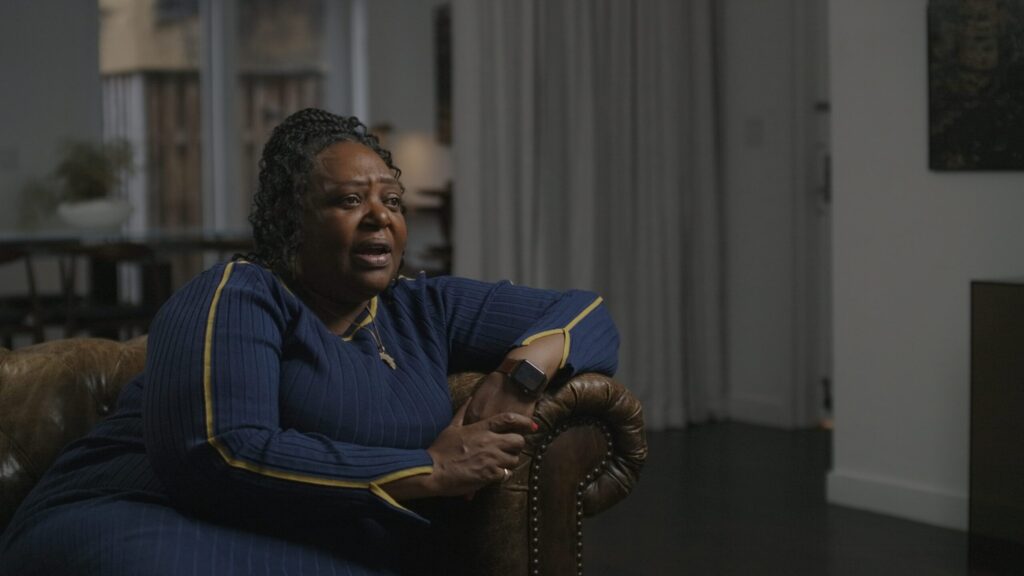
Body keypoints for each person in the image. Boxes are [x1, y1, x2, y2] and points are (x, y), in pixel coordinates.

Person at [0, 108, 618, 575]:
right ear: (291, 220)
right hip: (136, 516)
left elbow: (588, 314)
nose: (380, 216)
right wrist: (430, 468)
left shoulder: (421, 307)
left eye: (392, 200)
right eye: (349, 200)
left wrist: (517, 378)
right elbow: (219, 456)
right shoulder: (238, 294)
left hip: (304, 542)